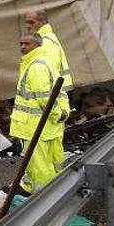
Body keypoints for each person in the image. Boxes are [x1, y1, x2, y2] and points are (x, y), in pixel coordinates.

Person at [10, 32, 66, 194]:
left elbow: (45, 98)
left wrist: (56, 114)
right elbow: (59, 93)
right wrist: (61, 114)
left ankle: (43, 198)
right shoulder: (45, 62)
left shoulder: (36, 67)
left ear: (37, 45)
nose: (22, 47)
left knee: (39, 165)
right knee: (51, 162)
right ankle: (29, 187)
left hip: (35, 127)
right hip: (49, 127)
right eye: (21, 44)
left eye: (27, 44)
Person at [25, 10, 72, 171]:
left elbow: (44, 82)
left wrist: (55, 112)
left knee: (42, 158)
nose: (28, 26)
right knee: (53, 156)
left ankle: (43, 190)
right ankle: (57, 185)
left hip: (47, 110)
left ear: (42, 21)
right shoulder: (49, 40)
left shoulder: (45, 44)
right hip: (54, 106)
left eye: (31, 22)